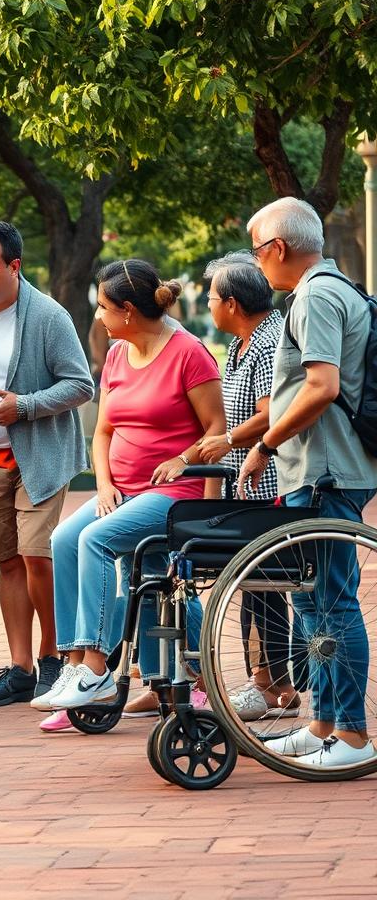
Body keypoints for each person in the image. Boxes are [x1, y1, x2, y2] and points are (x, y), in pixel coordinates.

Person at [34, 259, 224, 718]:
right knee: (62, 539)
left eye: (102, 308)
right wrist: (102, 484)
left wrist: (182, 461)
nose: (97, 317)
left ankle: (97, 664)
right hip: (121, 490)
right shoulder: (117, 355)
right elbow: (102, 432)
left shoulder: (189, 353)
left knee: (96, 541)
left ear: (126, 312)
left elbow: (217, 431)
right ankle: (76, 662)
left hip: (174, 495)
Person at [239, 197, 377, 768]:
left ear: (277, 248)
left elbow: (319, 386)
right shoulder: (334, 289)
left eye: (257, 252)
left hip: (324, 469)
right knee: (315, 603)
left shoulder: (315, 296)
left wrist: (265, 446)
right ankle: (322, 723)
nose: (257, 265)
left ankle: (349, 736)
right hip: (325, 467)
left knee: (332, 602)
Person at [0, 221, 93, 708]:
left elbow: (79, 385)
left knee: (37, 556)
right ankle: (20, 667)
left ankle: (54, 659)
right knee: (7, 561)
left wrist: (24, 406)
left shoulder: (48, 316)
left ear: (14, 266)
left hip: (40, 457)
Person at [197, 252, 299, 722]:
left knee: (265, 581)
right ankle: (271, 682)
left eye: (213, 297)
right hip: (246, 482)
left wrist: (229, 440)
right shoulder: (241, 344)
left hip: (271, 479)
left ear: (233, 303)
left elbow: (271, 412)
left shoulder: (269, 342)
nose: (209, 304)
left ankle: (271, 683)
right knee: (255, 584)